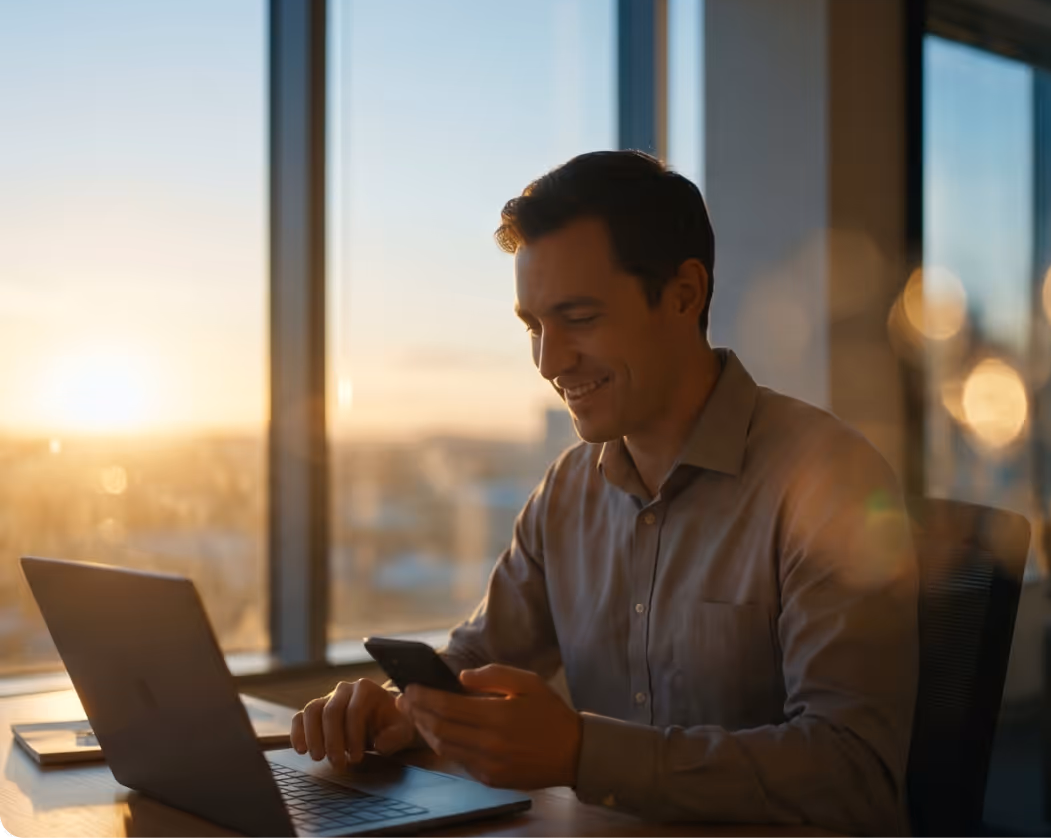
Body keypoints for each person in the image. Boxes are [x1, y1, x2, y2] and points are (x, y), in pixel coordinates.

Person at [291, 151, 919, 838]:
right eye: (534, 326)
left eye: (579, 319)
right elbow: (474, 661)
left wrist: (582, 753)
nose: (549, 363)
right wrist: (396, 709)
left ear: (684, 295)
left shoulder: (829, 480)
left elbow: (855, 773)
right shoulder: (568, 489)